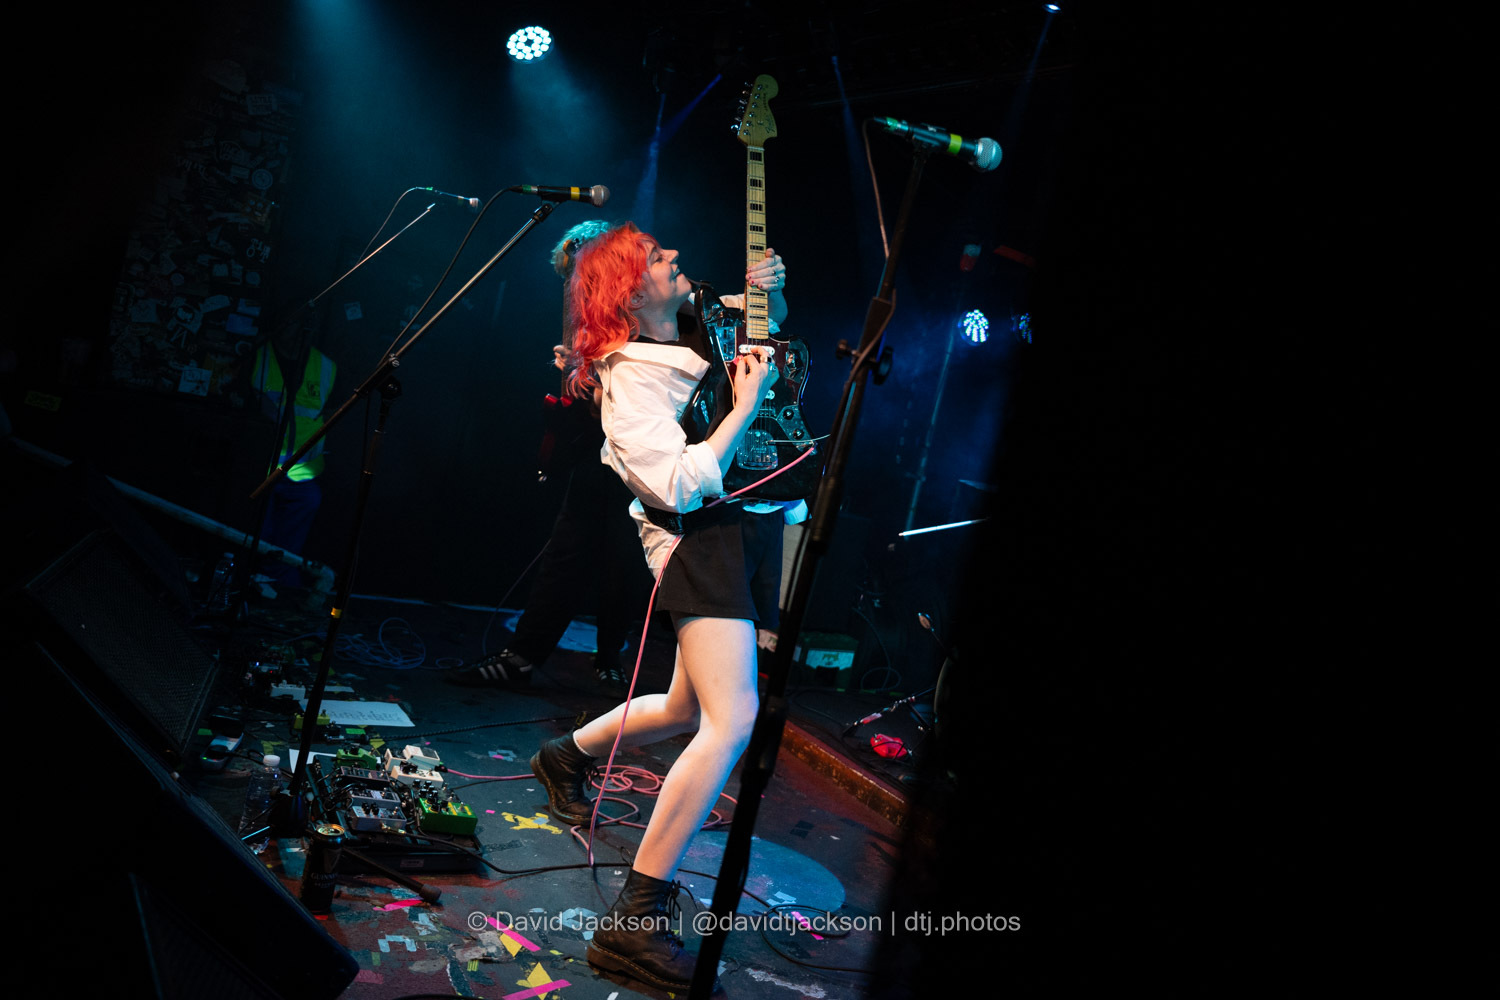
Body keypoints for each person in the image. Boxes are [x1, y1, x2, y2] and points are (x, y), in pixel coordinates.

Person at [526, 222, 797, 991]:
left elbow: (762, 330)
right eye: (654, 257)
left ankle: (564, 755)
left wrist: (770, 296)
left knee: (685, 708)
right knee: (732, 720)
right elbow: (675, 486)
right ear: (627, 293)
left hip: (733, 527)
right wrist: (745, 407)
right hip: (693, 539)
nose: (674, 254)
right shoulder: (630, 380)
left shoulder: (691, 317)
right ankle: (633, 921)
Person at [449, 220, 650, 692]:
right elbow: (592, 398)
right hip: (593, 451)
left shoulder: (643, 304)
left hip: (638, 455)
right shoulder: (590, 314)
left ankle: (610, 658)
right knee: (566, 555)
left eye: (582, 269)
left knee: (624, 561)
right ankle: (523, 656)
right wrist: (578, 374)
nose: (577, 283)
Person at [249, 319, 335, 588]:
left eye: (304, 324)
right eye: (291, 322)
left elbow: (329, 411)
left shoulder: (325, 366)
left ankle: (279, 580)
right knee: (258, 526)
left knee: (306, 505)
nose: (298, 329)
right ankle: (250, 576)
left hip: (302, 474)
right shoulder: (258, 355)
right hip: (259, 468)